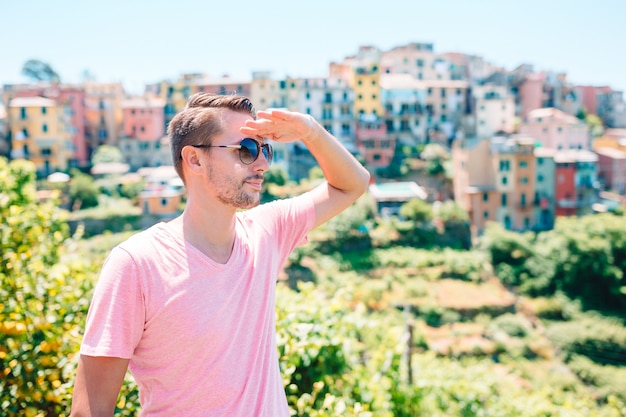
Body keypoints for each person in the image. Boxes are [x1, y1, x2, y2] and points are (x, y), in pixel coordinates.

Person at [70, 92, 370, 417]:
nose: (263, 164)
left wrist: (309, 130)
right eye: (247, 150)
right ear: (195, 159)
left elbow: (353, 183)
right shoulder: (137, 264)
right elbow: (91, 410)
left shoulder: (266, 232)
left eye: (264, 149)